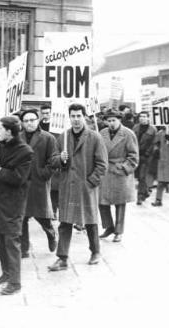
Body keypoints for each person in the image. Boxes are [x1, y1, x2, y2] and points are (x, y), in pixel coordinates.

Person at [48, 103, 107, 272]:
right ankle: (62, 258)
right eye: (72, 116)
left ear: (85, 117)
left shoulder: (94, 137)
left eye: (78, 116)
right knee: (65, 222)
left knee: (90, 221)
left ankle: (95, 252)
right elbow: (52, 160)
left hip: (86, 187)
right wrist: (60, 158)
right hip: (68, 186)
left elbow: (102, 165)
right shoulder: (63, 137)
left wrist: (91, 183)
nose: (75, 120)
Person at [0, 115, 33, 295]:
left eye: (0, 129)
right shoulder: (0, 146)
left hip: (13, 202)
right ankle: (6, 272)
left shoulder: (25, 151)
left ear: (9, 131)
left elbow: (18, 178)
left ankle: (15, 282)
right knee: (0, 236)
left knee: (11, 240)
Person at [19, 108, 61, 258]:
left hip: (39, 182)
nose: (29, 123)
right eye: (26, 121)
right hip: (22, 183)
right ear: (22, 123)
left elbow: (54, 159)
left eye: (32, 120)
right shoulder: (18, 137)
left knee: (42, 216)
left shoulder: (48, 138)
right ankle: (23, 248)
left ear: (37, 121)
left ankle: (51, 234)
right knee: (22, 217)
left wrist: (45, 173)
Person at [98, 109, 138, 243]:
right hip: (105, 171)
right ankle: (108, 227)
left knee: (120, 203)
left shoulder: (128, 134)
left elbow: (133, 156)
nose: (111, 123)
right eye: (108, 121)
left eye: (114, 120)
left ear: (120, 120)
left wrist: (123, 168)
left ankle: (119, 231)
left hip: (120, 172)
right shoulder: (101, 133)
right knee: (102, 202)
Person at [132, 111, 157, 205]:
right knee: (138, 176)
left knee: (142, 177)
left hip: (147, 156)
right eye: (140, 116)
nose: (142, 118)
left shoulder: (153, 129)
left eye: (144, 116)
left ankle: (140, 196)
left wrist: (147, 153)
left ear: (148, 118)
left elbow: (154, 143)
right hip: (136, 155)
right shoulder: (135, 127)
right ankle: (146, 191)